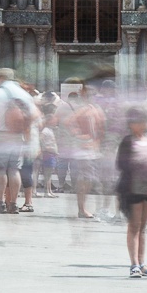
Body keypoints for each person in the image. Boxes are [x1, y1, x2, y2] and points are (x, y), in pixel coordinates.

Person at [0, 68, 39, 214]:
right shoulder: (24, 94)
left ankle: (0, 202)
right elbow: (34, 116)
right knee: (14, 170)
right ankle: (13, 204)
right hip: (17, 137)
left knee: (0, 170)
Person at [116, 112, 147, 278]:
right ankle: (133, 264)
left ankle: (141, 263)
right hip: (132, 188)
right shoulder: (128, 141)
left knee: (142, 227)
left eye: (143, 121)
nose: (142, 124)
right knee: (134, 226)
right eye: (138, 121)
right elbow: (120, 164)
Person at [64, 81, 106, 220]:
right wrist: (79, 135)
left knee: (89, 179)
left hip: (93, 148)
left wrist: (98, 141)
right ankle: (81, 209)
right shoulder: (83, 109)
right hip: (84, 149)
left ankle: (83, 208)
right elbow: (68, 122)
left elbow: (100, 128)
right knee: (86, 178)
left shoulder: (95, 108)